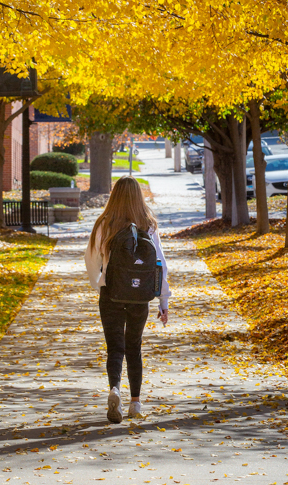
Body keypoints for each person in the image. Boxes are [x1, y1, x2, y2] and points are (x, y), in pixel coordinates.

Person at [84, 176, 170, 423]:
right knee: (134, 346)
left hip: (111, 293)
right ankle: (135, 403)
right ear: (138, 196)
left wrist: (99, 283)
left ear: (114, 195)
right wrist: (163, 300)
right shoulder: (148, 223)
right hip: (139, 297)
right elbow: (160, 264)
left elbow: (91, 260)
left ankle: (114, 389)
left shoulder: (104, 223)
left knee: (115, 347)